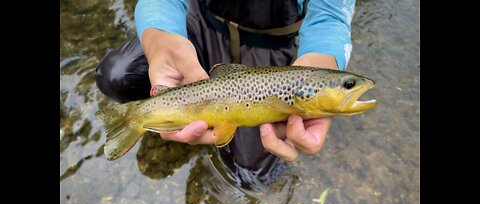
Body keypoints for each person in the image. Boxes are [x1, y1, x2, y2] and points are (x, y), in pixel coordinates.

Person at [96, 0, 355, 181]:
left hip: (273, 46)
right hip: (198, 26)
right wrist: (158, 37)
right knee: (118, 74)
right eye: (349, 85)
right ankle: (140, 119)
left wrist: (324, 60)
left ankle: (165, 121)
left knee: (252, 174)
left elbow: (330, 14)